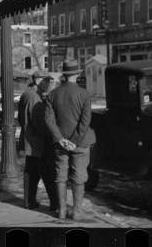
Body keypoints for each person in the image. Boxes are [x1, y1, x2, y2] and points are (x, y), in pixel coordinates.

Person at [44, 59, 96, 220]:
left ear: (63, 75)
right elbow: (85, 121)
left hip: (60, 143)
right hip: (80, 143)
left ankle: (61, 210)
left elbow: (49, 120)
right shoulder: (85, 95)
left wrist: (61, 139)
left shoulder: (52, 94)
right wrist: (73, 140)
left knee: (60, 176)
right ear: (78, 74)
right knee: (79, 176)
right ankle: (77, 212)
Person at [17, 71, 57, 210]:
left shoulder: (27, 94)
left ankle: (30, 201)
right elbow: (39, 123)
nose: (48, 84)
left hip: (30, 140)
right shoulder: (35, 97)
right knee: (46, 173)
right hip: (37, 142)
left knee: (32, 172)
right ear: (38, 80)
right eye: (46, 81)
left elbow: (22, 119)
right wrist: (50, 135)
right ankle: (54, 203)